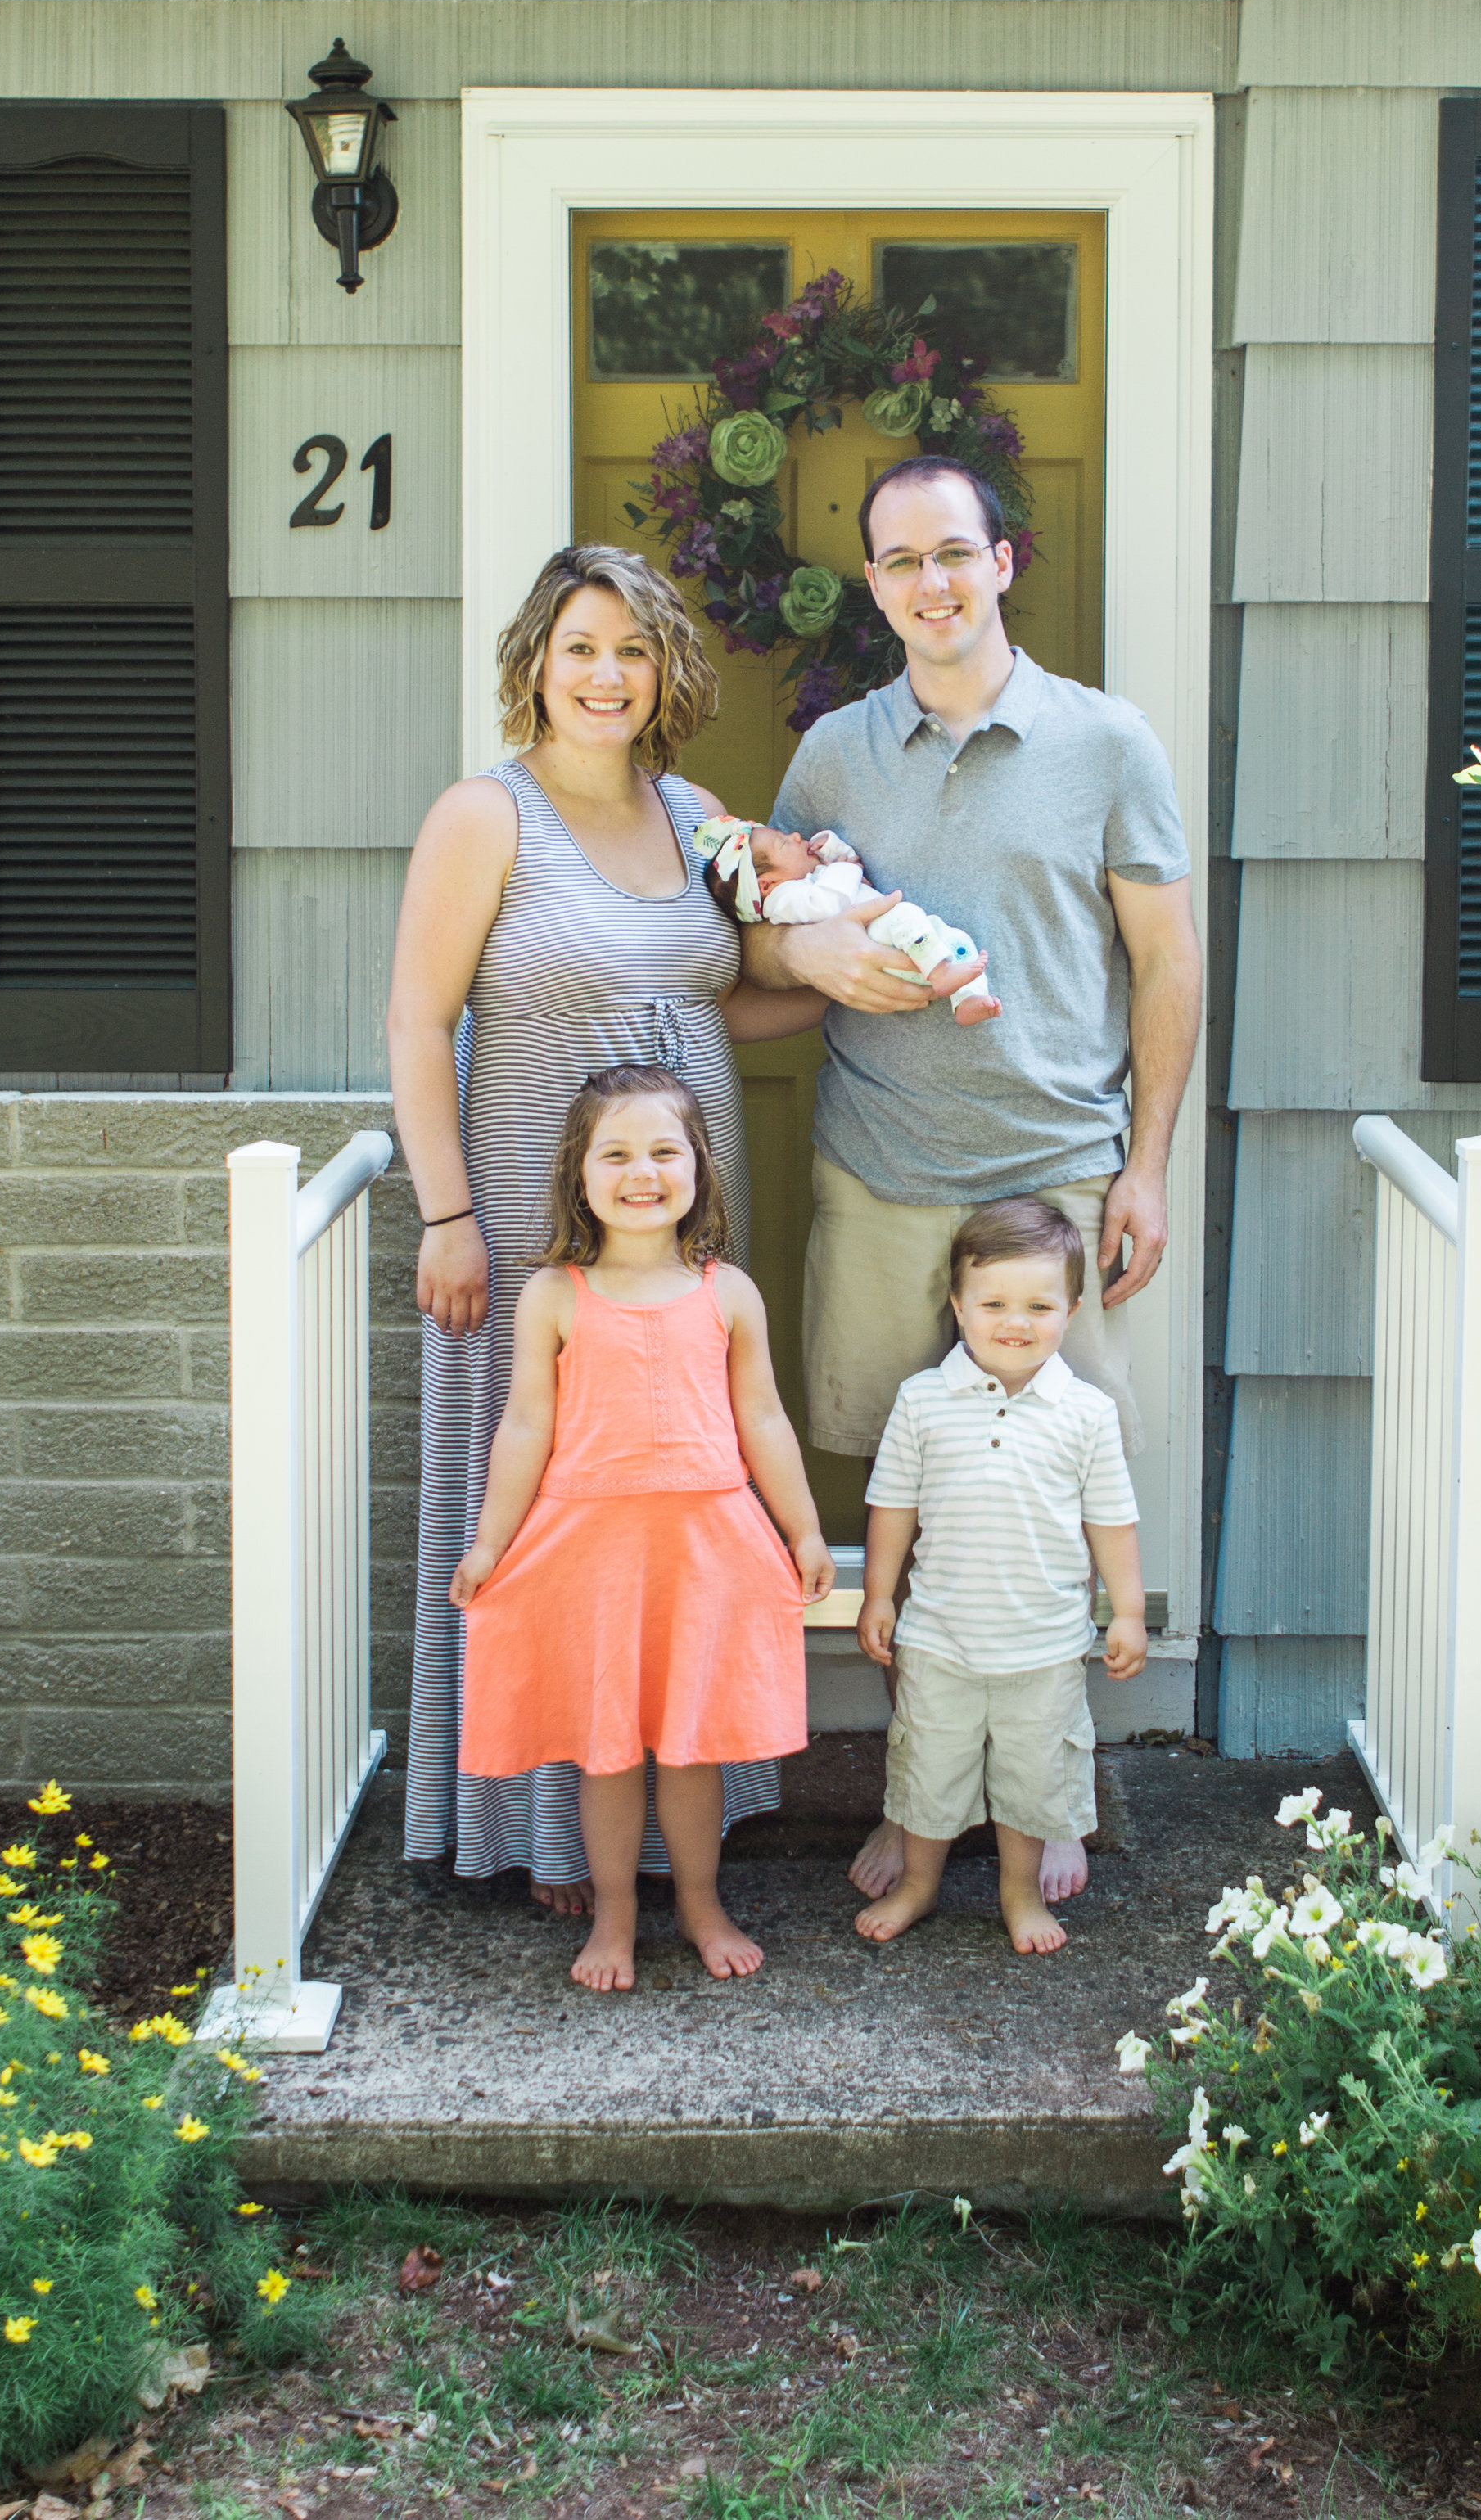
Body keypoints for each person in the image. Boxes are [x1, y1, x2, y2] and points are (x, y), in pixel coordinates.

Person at [740, 455, 1203, 1911]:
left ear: (1003, 562)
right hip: (882, 1174)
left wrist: (1148, 1164)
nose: (930, 583)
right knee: (908, 1497)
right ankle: (920, 1792)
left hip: (1055, 1181)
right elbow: (766, 939)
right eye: (899, 561)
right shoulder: (831, 756)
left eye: (955, 553)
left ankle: (1042, 1795)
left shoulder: (1107, 742)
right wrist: (815, 956)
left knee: (1056, 1501)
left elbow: (1166, 962)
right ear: (873, 585)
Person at [387, 544, 824, 1914]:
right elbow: (417, 1021)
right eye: (580, 646)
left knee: (682, 1503)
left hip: (682, 1228)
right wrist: (448, 1214)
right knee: (546, 1517)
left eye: (630, 649)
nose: (605, 674)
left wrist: (842, 983)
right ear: (534, 662)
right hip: (529, 1214)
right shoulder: (484, 816)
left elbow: (716, 997)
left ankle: (683, 1811)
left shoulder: (691, 809)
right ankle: (544, 1837)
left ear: (663, 673)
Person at [451, 1065, 834, 1990]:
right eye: (615, 1153)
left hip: (703, 1550)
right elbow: (526, 1427)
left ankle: (700, 1902)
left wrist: (806, 1531)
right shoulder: (554, 1294)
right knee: (610, 1749)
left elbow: (765, 1421)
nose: (641, 1172)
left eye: (665, 1151)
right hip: (592, 1555)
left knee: (693, 1745)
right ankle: (615, 1914)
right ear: (578, 1173)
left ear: (698, 1168)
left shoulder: (727, 1292)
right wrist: (490, 1543)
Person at [853, 1197, 1147, 1955]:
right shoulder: (923, 1401)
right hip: (940, 1638)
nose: (1015, 1322)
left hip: (1043, 1648)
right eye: (993, 1304)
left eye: (1039, 1306)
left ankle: (1017, 1894)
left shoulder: (1086, 1414)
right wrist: (879, 1594)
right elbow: (892, 1506)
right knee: (928, 1770)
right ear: (958, 1306)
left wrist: (1128, 1612)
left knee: (1029, 1779)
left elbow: (1111, 1521)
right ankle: (921, 1884)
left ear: (1072, 1310)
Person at [693, 813, 999, 1025]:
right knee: (907, 914)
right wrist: (845, 868)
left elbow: (847, 864)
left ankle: (968, 999)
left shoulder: (808, 879)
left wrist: (829, 848)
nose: (796, 836)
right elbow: (830, 903)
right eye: (784, 843)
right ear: (765, 885)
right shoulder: (783, 902)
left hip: (898, 935)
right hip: (878, 937)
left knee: (957, 940)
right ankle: (940, 972)